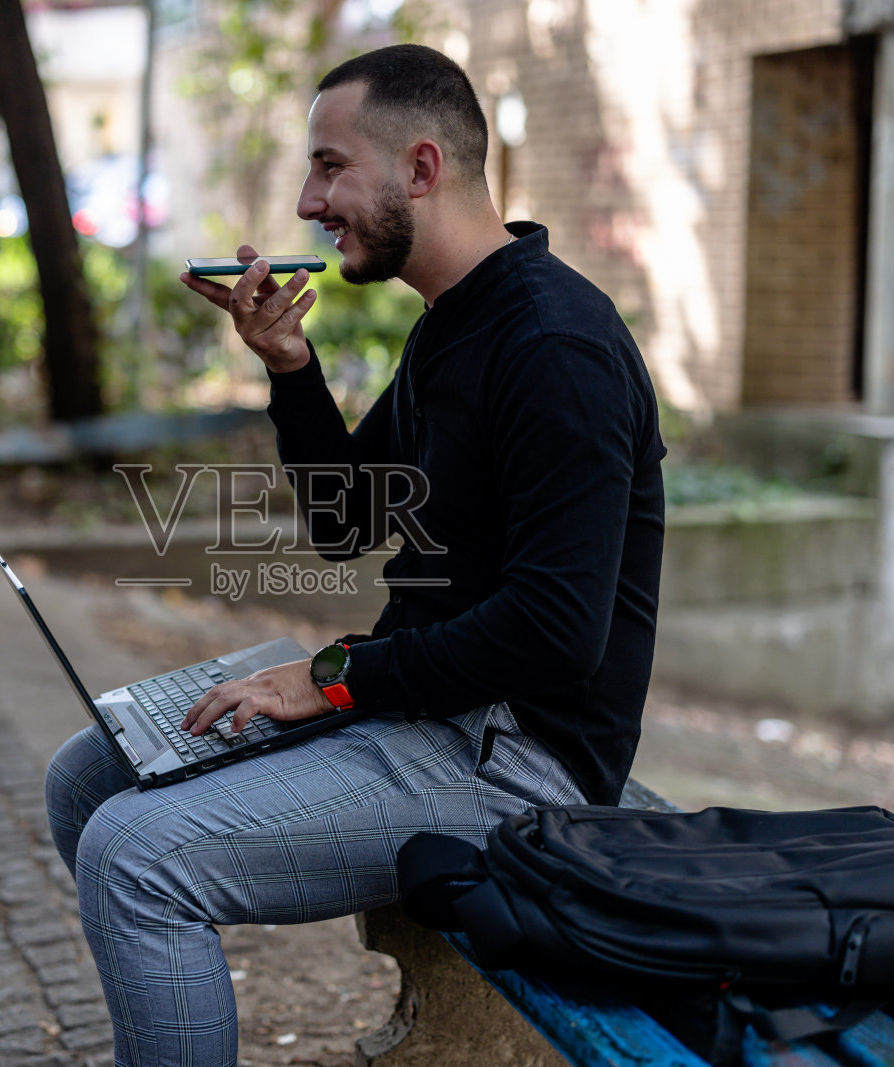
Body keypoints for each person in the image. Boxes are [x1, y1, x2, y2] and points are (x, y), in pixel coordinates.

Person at [44, 43, 666, 1067]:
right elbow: (346, 523)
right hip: (434, 709)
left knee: (133, 857)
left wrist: (331, 677)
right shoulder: (452, 325)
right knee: (87, 773)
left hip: (523, 762)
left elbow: (556, 633)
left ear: (420, 167)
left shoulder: (555, 348)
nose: (306, 202)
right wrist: (290, 368)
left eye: (330, 167)